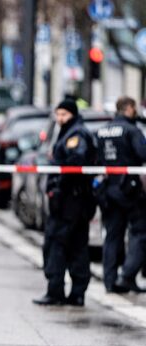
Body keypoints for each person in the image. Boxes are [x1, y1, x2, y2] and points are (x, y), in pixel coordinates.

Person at [33, 100, 96, 306]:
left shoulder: (75, 135)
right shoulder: (69, 132)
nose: (60, 119)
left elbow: (75, 163)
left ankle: (57, 291)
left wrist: (58, 189)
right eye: (58, 114)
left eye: (64, 115)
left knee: (57, 245)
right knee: (76, 246)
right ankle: (75, 293)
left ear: (73, 115)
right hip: (73, 201)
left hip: (70, 202)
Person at [96, 97, 146, 293]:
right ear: (130, 108)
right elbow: (143, 154)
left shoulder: (102, 130)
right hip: (129, 189)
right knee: (140, 232)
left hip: (108, 189)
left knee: (112, 236)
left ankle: (110, 281)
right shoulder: (132, 130)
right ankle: (127, 275)